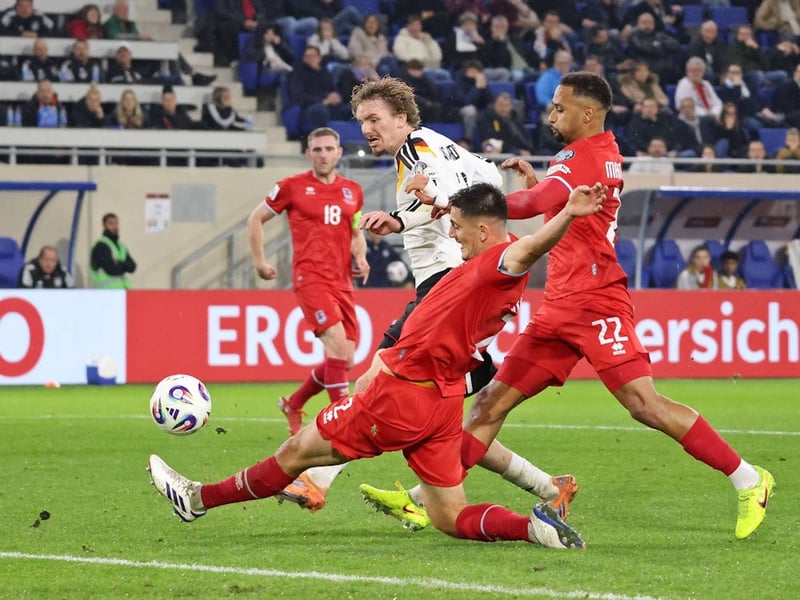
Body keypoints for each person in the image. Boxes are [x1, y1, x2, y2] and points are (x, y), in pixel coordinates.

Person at [365, 71, 774, 541]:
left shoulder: (587, 155)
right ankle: (424, 498)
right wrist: (544, 190)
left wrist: (445, 199)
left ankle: (750, 478)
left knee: (644, 405)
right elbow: (558, 203)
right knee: (488, 405)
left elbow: (531, 202)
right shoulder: (589, 154)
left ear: (588, 112)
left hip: (596, 302)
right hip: (559, 306)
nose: (551, 115)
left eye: (560, 108)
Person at [147, 181, 606, 549]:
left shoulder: (500, 263)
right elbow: (514, 239)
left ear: (484, 231)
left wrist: (567, 213)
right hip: (442, 402)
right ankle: (534, 528)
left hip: (400, 394)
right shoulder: (494, 254)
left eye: (458, 227)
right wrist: (439, 202)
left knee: (295, 454)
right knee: (449, 516)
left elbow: (530, 248)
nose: (452, 234)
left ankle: (196, 499)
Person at [248, 125, 367, 446]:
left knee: (346, 359)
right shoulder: (291, 187)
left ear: (339, 153)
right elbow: (255, 218)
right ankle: (343, 423)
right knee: (337, 347)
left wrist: (361, 256)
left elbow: (356, 232)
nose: (323, 155)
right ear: (308, 154)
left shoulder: (353, 191)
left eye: (329, 149)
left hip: (343, 282)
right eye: (317, 149)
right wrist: (260, 262)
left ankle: (294, 403)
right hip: (310, 278)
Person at [90, 213, 136, 289]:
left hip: (123, 291)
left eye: (116, 223)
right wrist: (125, 265)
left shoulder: (121, 247)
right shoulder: (101, 246)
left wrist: (119, 263)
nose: (115, 227)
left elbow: (132, 267)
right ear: (104, 226)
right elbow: (112, 269)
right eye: (111, 223)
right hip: (106, 292)